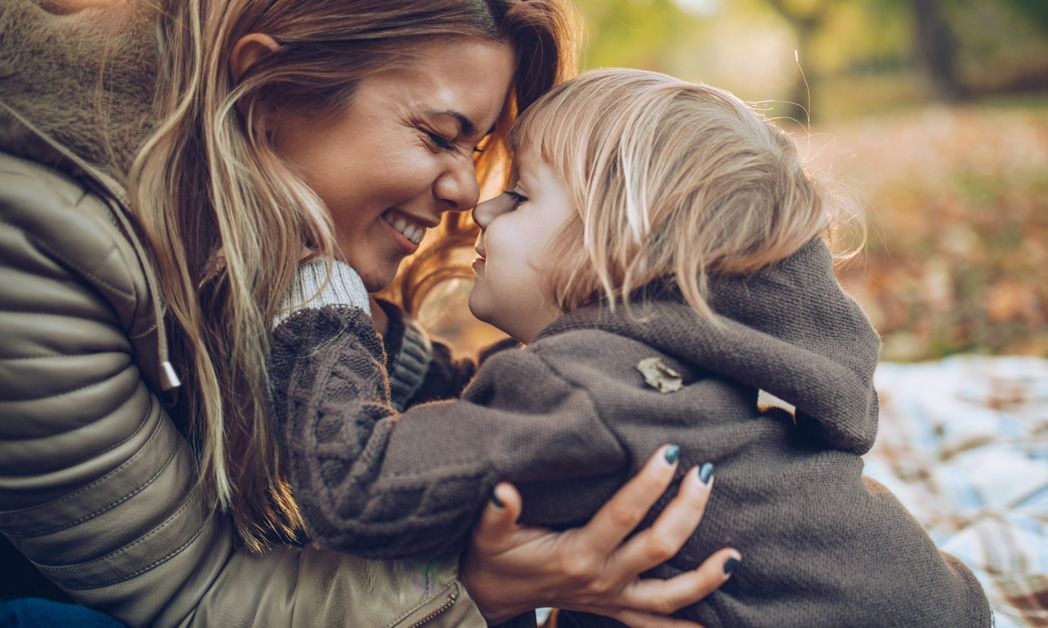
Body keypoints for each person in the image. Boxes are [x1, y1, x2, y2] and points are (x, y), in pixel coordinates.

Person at [0, 2, 731, 626]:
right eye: (440, 135)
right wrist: (472, 587)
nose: (468, 190)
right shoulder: (34, 240)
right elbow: (191, 597)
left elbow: (437, 396)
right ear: (266, 88)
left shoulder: (275, 242)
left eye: (477, 149)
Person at [267, 69, 995, 626]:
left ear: (613, 253)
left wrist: (324, 309)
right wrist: (393, 350)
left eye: (519, 196)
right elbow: (482, 420)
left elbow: (356, 489)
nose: (482, 208)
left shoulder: (586, 397)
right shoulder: (649, 381)